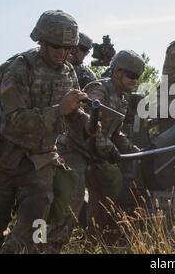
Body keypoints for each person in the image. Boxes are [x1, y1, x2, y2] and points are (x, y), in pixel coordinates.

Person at [0, 10, 90, 253]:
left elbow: (72, 112)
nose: (62, 53)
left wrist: (86, 122)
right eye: (56, 46)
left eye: (68, 47)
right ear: (42, 42)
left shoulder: (69, 73)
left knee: (33, 230)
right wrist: (59, 110)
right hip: (4, 157)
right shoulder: (19, 68)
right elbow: (14, 121)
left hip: (40, 162)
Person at [57, 50, 145, 244]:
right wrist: (110, 149)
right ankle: (54, 244)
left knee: (105, 194)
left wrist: (135, 151)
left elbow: (115, 133)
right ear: (117, 72)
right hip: (74, 150)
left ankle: (93, 241)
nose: (134, 80)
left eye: (137, 77)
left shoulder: (122, 99)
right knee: (74, 197)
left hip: (95, 155)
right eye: (131, 75)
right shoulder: (99, 90)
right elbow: (88, 127)